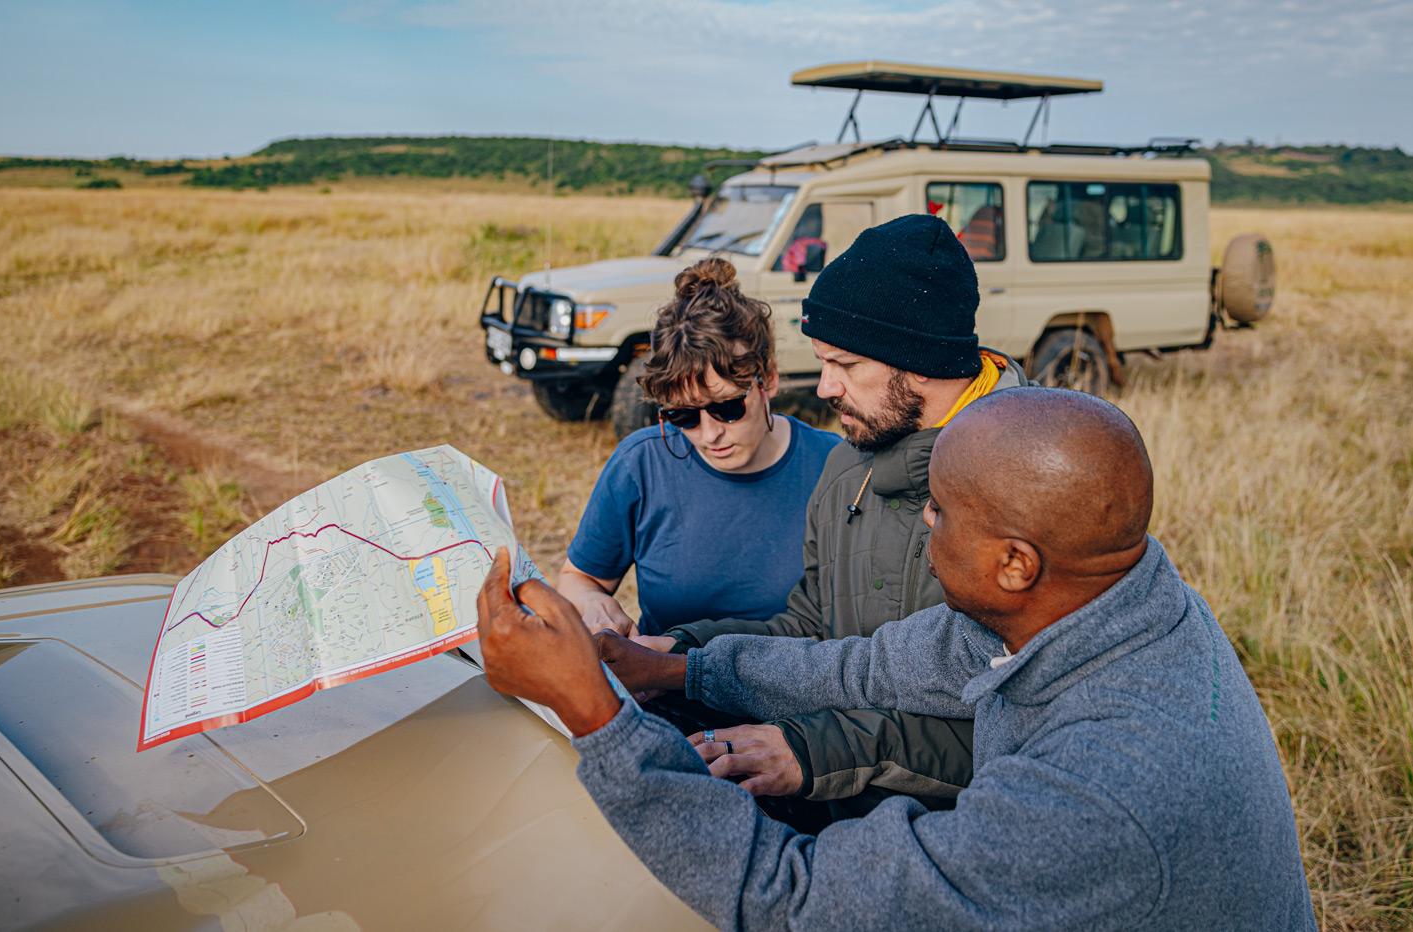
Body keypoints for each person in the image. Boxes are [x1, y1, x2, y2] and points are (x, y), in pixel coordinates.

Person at [474, 388, 1317, 931]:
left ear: (1015, 562)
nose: (923, 526)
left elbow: (793, 899)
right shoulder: (1110, 594)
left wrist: (597, 713)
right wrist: (671, 670)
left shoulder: (1100, 789)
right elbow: (863, 668)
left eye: (942, 512)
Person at [637, 214, 1028, 822]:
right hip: (830, 803)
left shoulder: (1033, 489)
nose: (824, 388)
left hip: (951, 839)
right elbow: (814, 625)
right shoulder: (849, 466)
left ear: (916, 358)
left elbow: (1016, 727)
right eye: (822, 363)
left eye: (844, 365)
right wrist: (681, 651)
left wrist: (813, 749)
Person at [556, 257, 839, 638]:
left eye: (727, 408)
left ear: (768, 379)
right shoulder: (640, 464)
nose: (709, 435)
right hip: (663, 690)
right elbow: (580, 577)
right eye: (682, 416)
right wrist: (591, 602)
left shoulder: (833, 466)